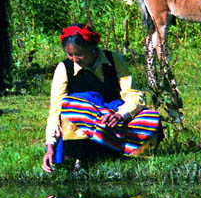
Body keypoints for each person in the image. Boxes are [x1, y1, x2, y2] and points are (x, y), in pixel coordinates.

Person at [42, 23, 161, 171]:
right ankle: (82, 155)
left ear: (92, 48)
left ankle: (117, 151)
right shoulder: (63, 68)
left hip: (114, 118)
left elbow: (133, 95)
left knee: (150, 117)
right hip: (85, 122)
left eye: (79, 54)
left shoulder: (115, 60)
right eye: (69, 54)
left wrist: (119, 115)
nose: (74, 59)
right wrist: (50, 146)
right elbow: (56, 109)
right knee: (71, 106)